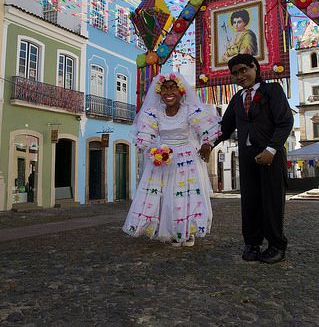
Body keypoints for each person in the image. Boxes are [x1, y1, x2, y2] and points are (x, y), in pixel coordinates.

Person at [122, 72, 221, 247]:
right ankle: (171, 231)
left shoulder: (189, 110)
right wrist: (152, 149)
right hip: (163, 158)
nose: (169, 92)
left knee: (184, 196)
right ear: (159, 92)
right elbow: (146, 136)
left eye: (173, 88)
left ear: (181, 90)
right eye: (165, 88)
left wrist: (207, 144)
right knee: (167, 197)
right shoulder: (153, 113)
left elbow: (206, 128)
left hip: (186, 160)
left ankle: (187, 231)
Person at [215, 54, 294, 264]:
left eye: (244, 70)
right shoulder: (237, 99)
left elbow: (285, 122)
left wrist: (271, 149)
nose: (240, 76)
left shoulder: (272, 91)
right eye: (235, 73)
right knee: (249, 202)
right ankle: (252, 243)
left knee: (272, 202)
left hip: (270, 155)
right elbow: (224, 128)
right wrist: (206, 144)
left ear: (255, 68)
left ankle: (276, 245)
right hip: (248, 157)